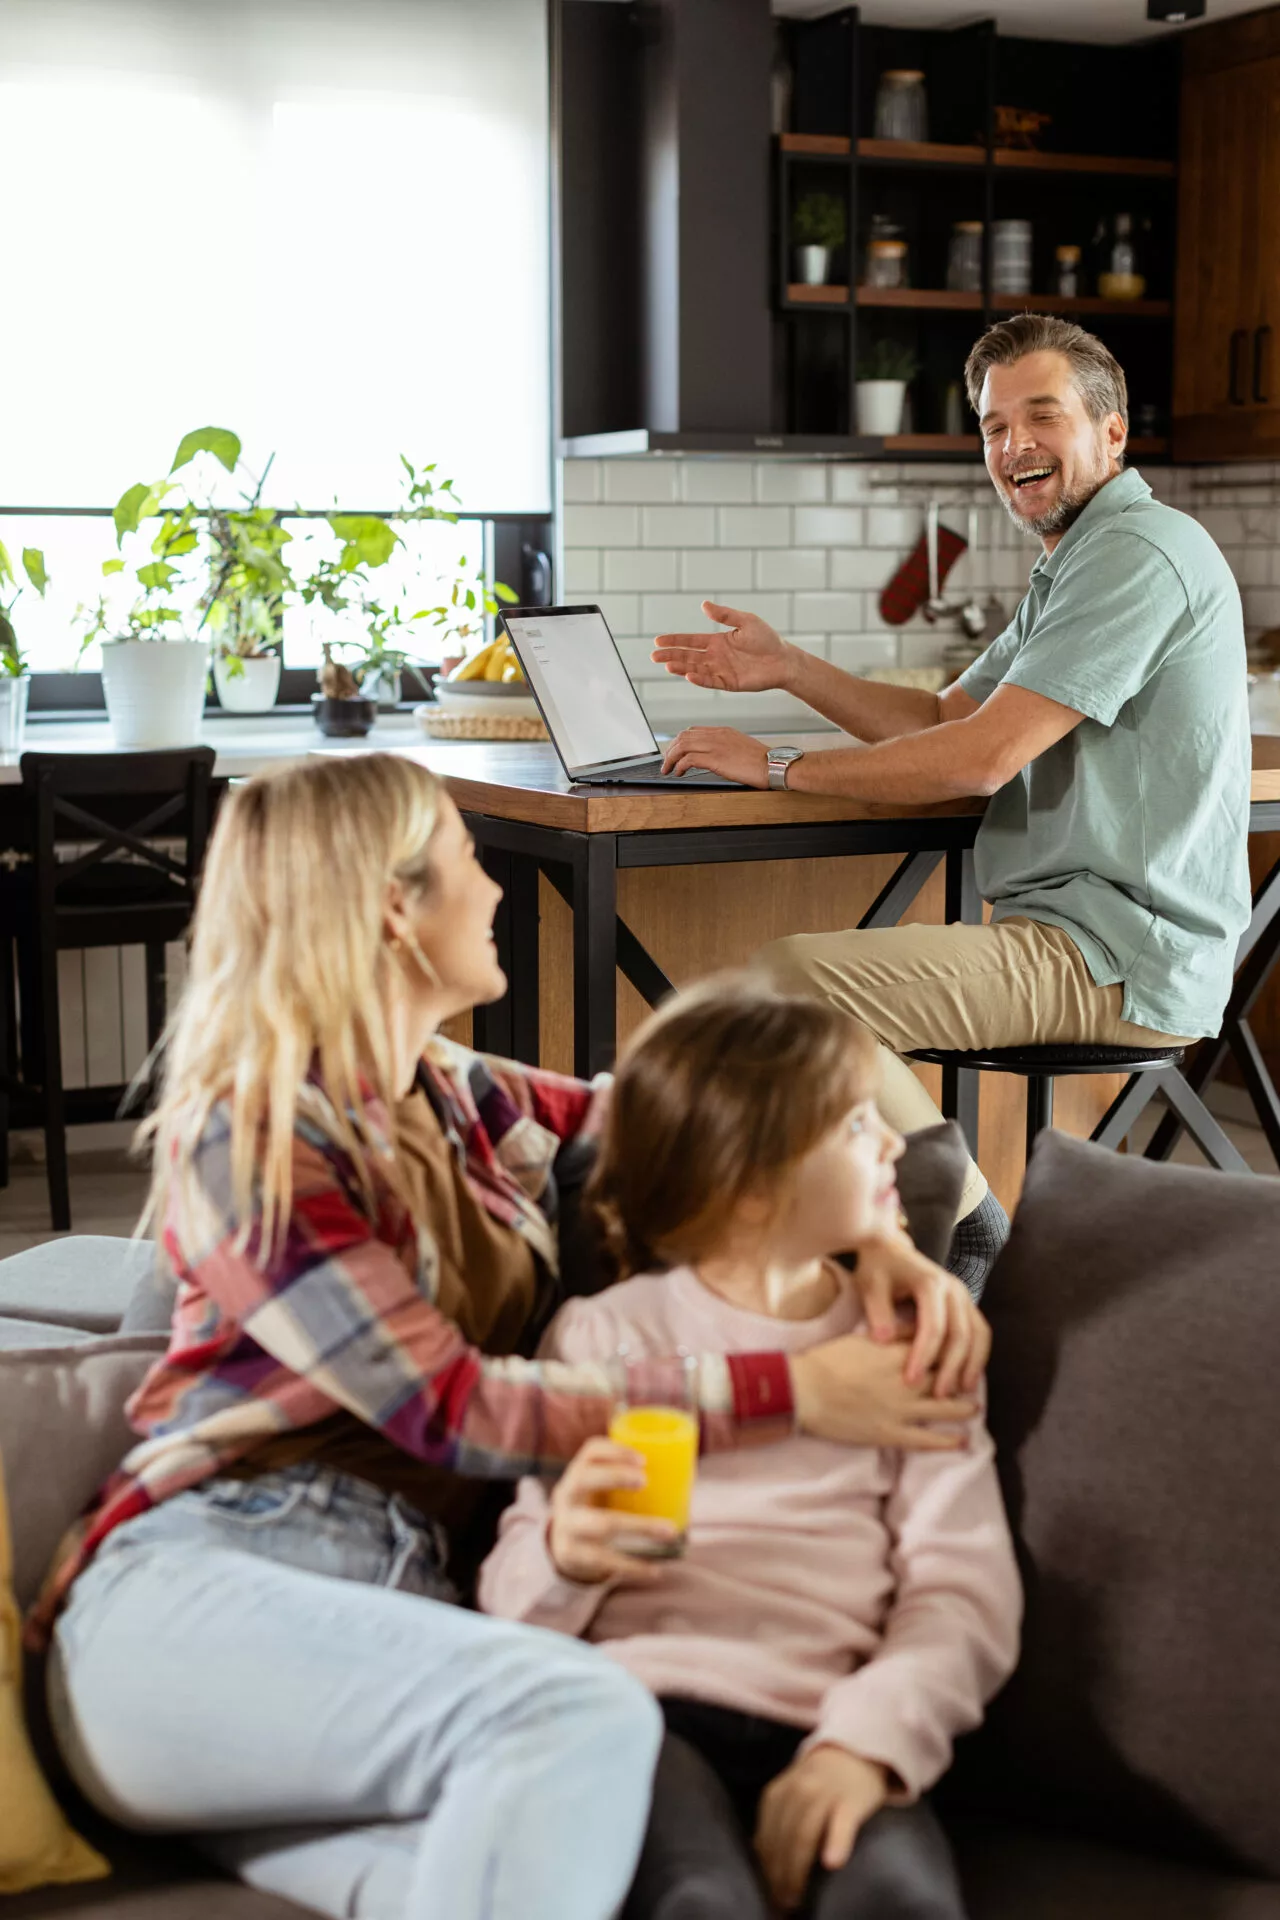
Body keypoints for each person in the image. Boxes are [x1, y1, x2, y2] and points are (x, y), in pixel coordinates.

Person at [31, 753, 990, 1920]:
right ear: (395, 909)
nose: (493, 891)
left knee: (579, 1865)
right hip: (202, 1603)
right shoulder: (255, 1141)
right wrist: (792, 1387)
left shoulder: (454, 1095)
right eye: (469, 863)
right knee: (586, 1715)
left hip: (399, 1633)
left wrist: (876, 1234)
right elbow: (450, 1408)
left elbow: (709, 1128)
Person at [650, 313, 1252, 1292]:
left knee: (790, 984)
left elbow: (977, 760)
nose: (1010, 445)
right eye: (990, 425)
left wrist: (775, 767)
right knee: (775, 1006)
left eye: (1039, 416)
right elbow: (941, 715)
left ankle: (961, 1219)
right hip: (1073, 936)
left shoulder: (1136, 552)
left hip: (1112, 953)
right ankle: (865, 1270)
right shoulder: (1076, 558)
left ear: (1112, 431)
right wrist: (788, 669)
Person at [479, 978, 1021, 1920]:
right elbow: (514, 1604)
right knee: (696, 1898)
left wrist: (866, 1748)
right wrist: (566, 1556)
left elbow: (963, 1592)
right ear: (751, 1184)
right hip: (636, 1717)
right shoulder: (605, 1340)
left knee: (900, 1900)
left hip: (832, 1717)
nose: (896, 1142)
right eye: (857, 1125)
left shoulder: (913, 1347)